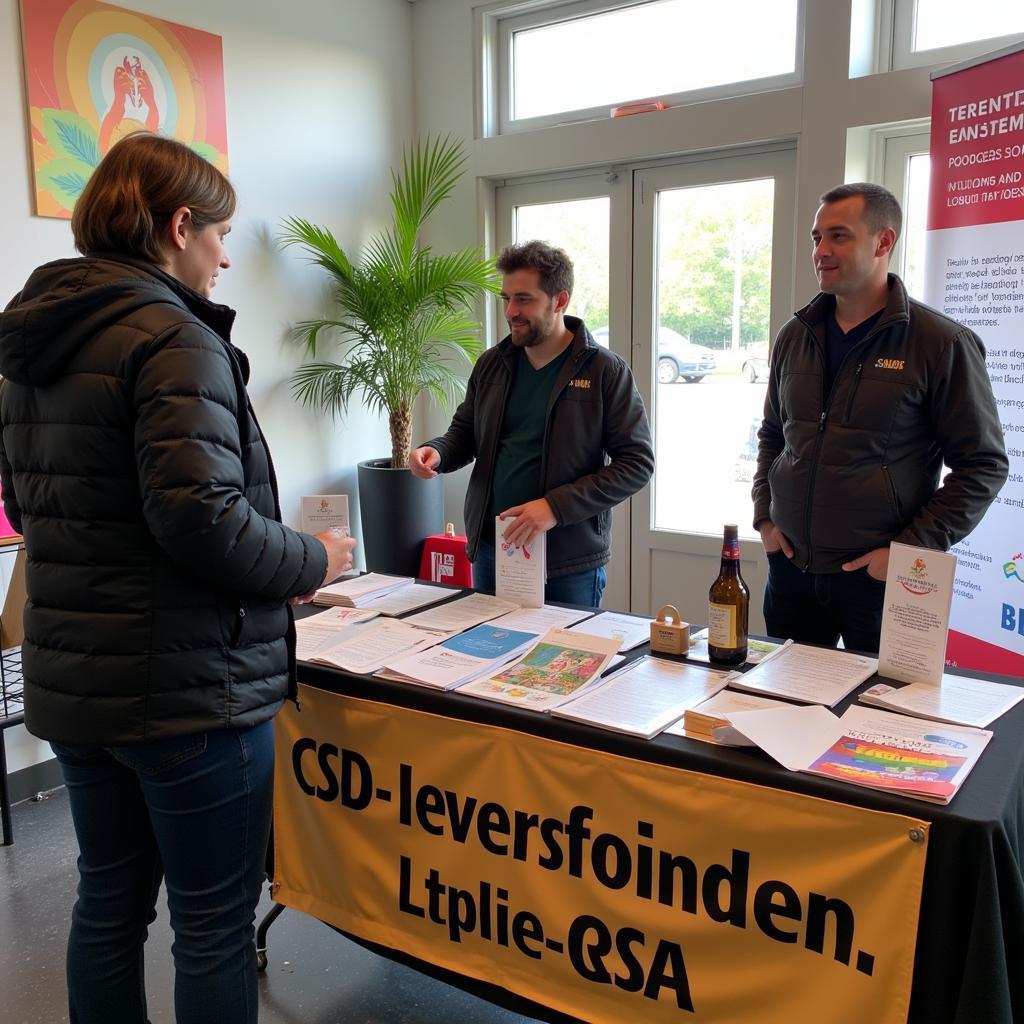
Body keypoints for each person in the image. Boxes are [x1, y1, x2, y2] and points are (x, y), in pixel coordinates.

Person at [0, 133, 356, 1024]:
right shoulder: (172, 334)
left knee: (108, 902)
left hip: (77, 683)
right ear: (179, 224)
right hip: (190, 695)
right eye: (220, 234)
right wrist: (314, 561)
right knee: (211, 925)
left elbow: (24, 500)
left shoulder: (33, 338)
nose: (227, 256)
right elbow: (201, 517)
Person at [753, 182, 1007, 653]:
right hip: (791, 571)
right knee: (784, 710)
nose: (821, 251)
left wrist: (908, 553)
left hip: (882, 582)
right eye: (816, 238)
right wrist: (765, 518)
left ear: (883, 242)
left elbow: (984, 466)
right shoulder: (795, 335)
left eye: (838, 236)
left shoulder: (940, 343)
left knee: (885, 718)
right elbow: (773, 434)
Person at [409, 241, 653, 607]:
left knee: (564, 661)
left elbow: (636, 464)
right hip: (494, 549)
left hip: (567, 561)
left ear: (559, 300)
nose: (511, 311)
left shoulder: (605, 370)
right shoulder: (493, 364)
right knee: (487, 656)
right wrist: (438, 452)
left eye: (524, 299)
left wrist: (554, 507)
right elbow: (465, 432)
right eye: (506, 298)